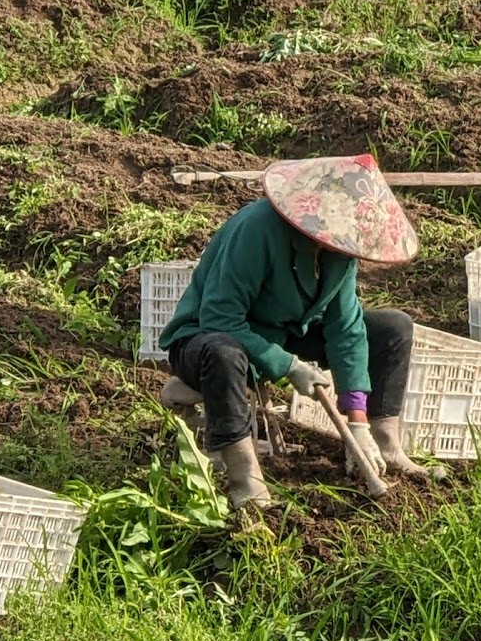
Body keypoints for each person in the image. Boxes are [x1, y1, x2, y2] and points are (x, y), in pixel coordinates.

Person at [158, 154, 437, 513]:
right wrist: (288, 365)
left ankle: (385, 445)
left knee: (392, 329)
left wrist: (358, 420)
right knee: (225, 355)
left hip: (282, 332)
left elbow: (346, 328)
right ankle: (244, 476)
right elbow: (220, 318)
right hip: (207, 336)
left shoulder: (340, 252)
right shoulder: (257, 230)